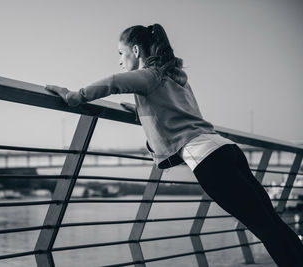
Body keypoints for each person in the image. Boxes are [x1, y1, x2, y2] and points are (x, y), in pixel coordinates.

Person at [44, 24, 303, 266]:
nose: (120, 60)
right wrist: (141, 111)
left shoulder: (147, 76)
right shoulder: (175, 77)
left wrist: (73, 96)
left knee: (264, 228)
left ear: (136, 50)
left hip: (209, 161)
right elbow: (174, 114)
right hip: (227, 150)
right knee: (272, 223)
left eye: (121, 53)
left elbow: (113, 83)